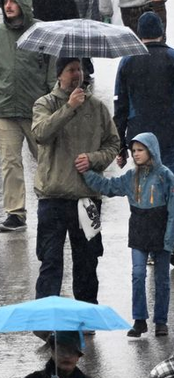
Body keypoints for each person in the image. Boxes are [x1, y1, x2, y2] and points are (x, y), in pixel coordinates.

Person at [32, 57, 121, 302]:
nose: (77, 74)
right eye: (71, 70)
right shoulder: (45, 104)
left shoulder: (97, 107)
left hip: (87, 197)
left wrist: (94, 159)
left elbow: (113, 143)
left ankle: (86, 315)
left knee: (87, 261)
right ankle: (45, 320)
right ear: (59, 75)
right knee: (50, 262)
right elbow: (41, 134)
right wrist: (68, 108)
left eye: (79, 69)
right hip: (53, 196)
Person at [81, 131, 174, 338]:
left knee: (162, 279)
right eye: (133, 150)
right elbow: (108, 187)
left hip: (160, 232)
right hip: (138, 230)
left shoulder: (165, 176)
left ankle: (161, 321)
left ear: (151, 150)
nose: (135, 154)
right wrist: (87, 173)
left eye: (140, 150)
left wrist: (171, 239)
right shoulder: (130, 177)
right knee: (137, 275)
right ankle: (139, 320)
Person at [0, 0, 53, 234]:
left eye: (13, 1)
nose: (8, 6)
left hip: (37, 109)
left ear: (25, 5)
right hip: (5, 108)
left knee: (45, 158)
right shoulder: (0, 34)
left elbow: (52, 67)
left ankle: (51, 201)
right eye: (5, 1)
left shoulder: (41, 32)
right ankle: (15, 212)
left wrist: (54, 99)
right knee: (9, 161)